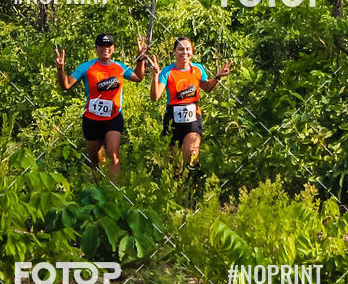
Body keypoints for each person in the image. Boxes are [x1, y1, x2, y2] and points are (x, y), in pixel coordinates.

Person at [55, 33, 147, 182]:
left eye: (108, 45)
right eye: (101, 46)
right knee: (96, 160)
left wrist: (140, 58)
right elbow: (65, 85)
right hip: (92, 119)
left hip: (113, 117)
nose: (105, 48)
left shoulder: (119, 67)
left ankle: (114, 190)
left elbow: (138, 77)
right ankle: (100, 189)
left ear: (113, 48)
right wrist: (60, 69)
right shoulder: (86, 67)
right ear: (96, 48)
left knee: (113, 155)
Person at [148, 37, 231, 171]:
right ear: (174, 52)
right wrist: (155, 75)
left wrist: (218, 77)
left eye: (188, 49)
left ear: (192, 51)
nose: (185, 52)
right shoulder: (167, 71)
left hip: (193, 119)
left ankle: (193, 182)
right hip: (172, 119)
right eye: (181, 49)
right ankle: (178, 183)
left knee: (192, 154)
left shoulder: (198, 69)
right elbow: (155, 96)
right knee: (174, 164)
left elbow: (207, 87)